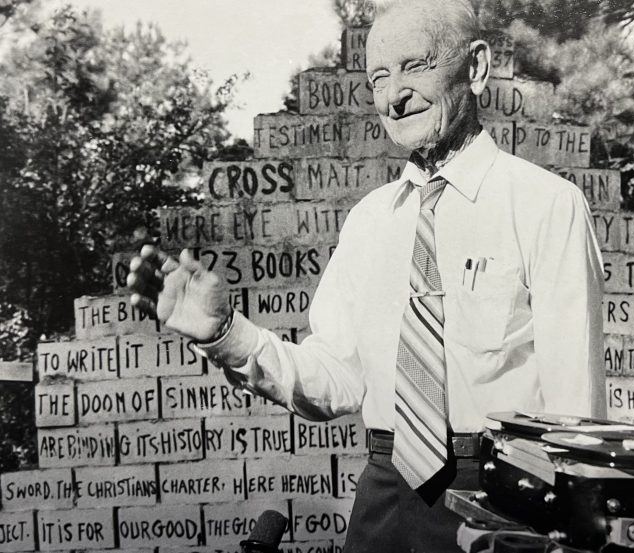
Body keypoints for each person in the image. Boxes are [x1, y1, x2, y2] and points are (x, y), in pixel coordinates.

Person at [128, 0, 606, 551]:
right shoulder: (369, 221)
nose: (394, 95)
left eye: (415, 66)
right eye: (379, 77)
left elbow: (577, 416)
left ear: (476, 67)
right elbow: (335, 380)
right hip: (384, 495)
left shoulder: (548, 206)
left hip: (503, 499)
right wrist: (225, 334)